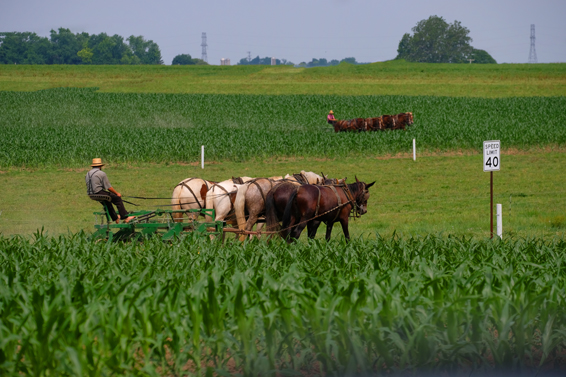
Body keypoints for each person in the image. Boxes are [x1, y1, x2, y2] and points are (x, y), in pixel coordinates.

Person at [86, 158, 134, 223]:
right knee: (117, 199)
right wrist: (117, 193)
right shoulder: (101, 173)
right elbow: (108, 187)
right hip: (98, 192)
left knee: (107, 201)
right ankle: (125, 217)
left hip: (90, 194)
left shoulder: (88, 173)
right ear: (100, 166)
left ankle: (116, 218)